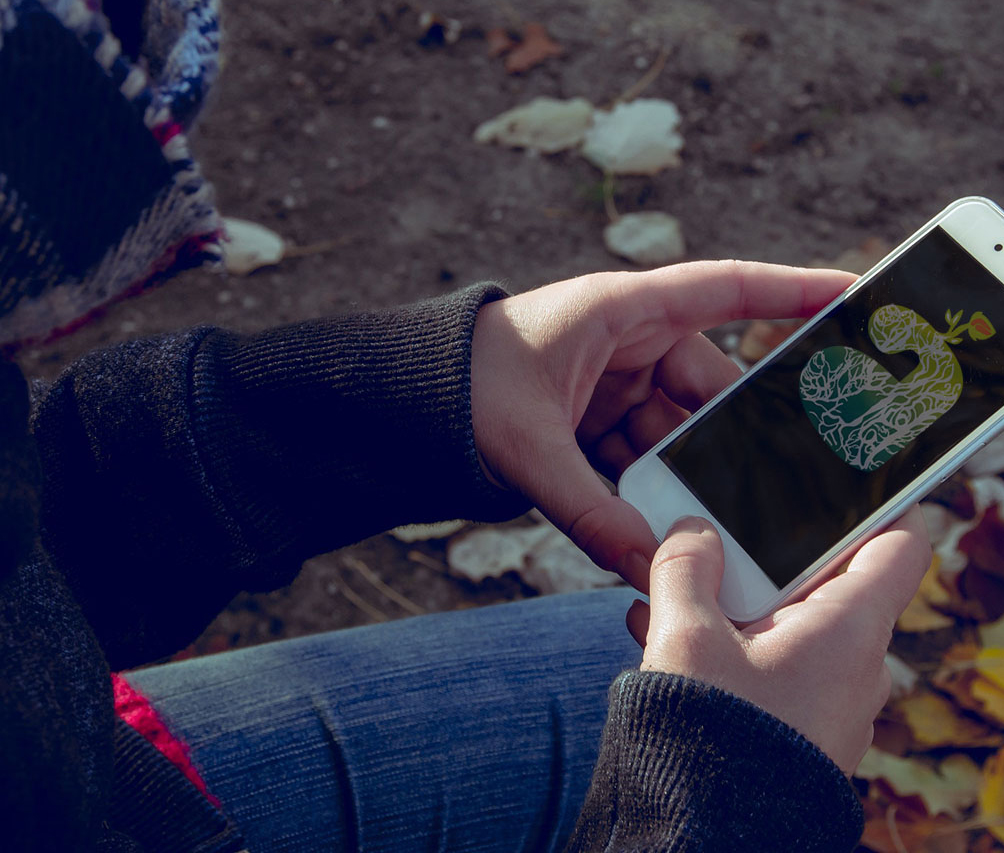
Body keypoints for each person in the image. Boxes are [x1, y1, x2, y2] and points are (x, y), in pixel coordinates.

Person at [0, 1, 932, 851]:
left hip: (80, 763)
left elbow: (27, 544)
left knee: (616, 657)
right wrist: (736, 806)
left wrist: (410, 392)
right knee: (710, 692)